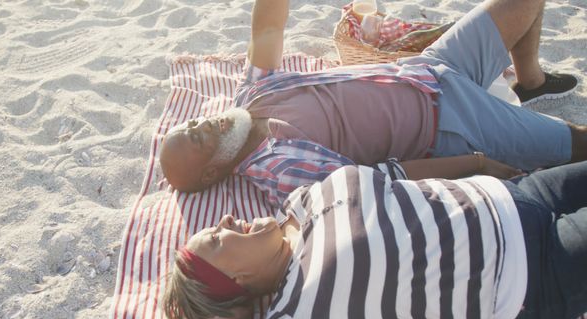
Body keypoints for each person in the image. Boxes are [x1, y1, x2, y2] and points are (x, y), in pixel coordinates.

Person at [159, 0, 584, 207]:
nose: (200, 124)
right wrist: (474, 163)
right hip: (451, 123)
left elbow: (267, 29)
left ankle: (530, 81)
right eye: (194, 139)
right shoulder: (277, 164)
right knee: (578, 144)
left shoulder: (250, 96)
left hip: (428, 68)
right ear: (213, 170)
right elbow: (379, 178)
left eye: (191, 124)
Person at [162, 159, 587, 319]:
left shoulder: (296, 204)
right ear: (236, 279)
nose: (225, 220)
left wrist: (478, 161)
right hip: (532, 268)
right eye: (217, 239)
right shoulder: (301, 313)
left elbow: (394, 172)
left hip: (518, 193)